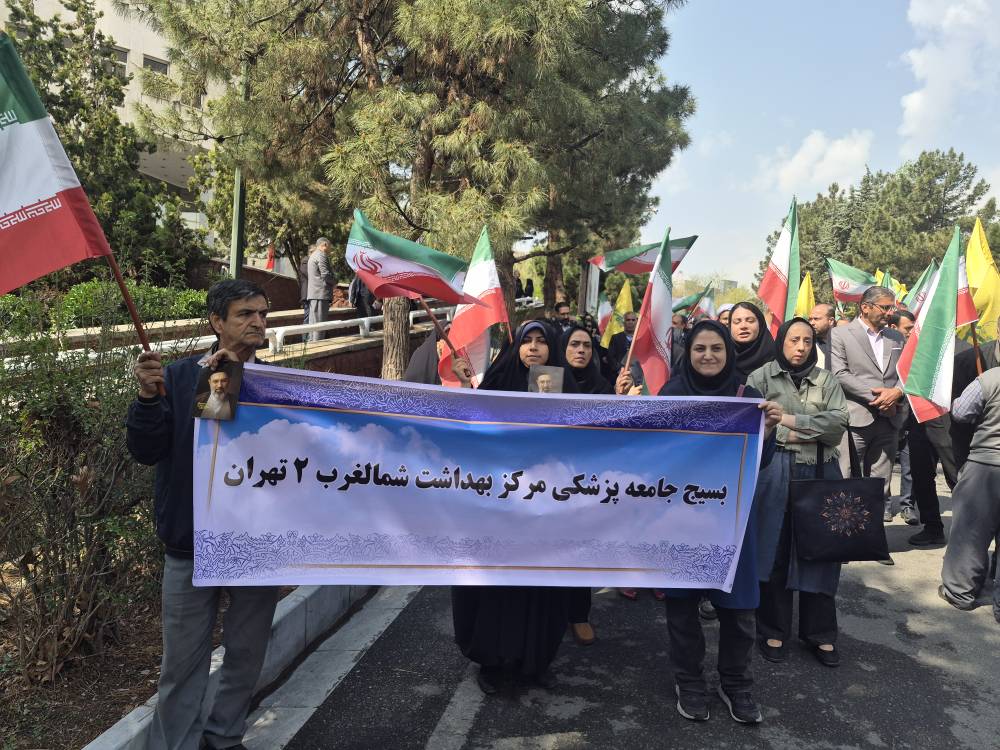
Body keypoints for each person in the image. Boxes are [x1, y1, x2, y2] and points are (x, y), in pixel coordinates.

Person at [127, 280, 278, 750]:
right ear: (217, 322)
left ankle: (224, 737)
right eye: (245, 314)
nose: (257, 322)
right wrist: (148, 398)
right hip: (190, 545)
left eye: (262, 314)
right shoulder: (175, 377)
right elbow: (149, 449)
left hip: (255, 545)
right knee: (182, 664)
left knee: (247, 653)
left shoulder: (278, 384)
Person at [659, 319, 782, 724]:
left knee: (739, 611)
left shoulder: (748, 397)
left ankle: (736, 684)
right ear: (688, 353)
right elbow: (650, 455)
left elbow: (760, 462)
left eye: (717, 348)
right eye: (700, 349)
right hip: (679, 521)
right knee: (682, 609)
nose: (708, 356)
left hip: (732, 523)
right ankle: (689, 681)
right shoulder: (671, 395)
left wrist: (769, 429)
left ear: (728, 353)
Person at [449, 320, 577, 694]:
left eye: (541, 341)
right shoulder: (496, 384)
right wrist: (465, 389)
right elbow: (469, 433)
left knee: (541, 587)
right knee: (497, 587)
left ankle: (533, 661)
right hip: (499, 511)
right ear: (516, 346)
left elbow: (589, 440)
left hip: (547, 511)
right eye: (526, 341)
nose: (533, 348)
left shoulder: (568, 389)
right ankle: (492, 662)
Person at [747, 318, 849, 668]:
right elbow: (754, 426)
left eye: (807, 340)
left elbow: (837, 427)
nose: (801, 347)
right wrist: (809, 432)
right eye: (794, 340)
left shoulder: (826, 380)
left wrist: (788, 422)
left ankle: (820, 633)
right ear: (781, 341)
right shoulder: (760, 378)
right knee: (773, 550)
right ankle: (772, 630)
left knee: (820, 552)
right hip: (773, 472)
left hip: (820, 472)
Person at [829, 286, 907, 532]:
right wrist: (881, 397)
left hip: (889, 420)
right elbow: (840, 374)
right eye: (885, 307)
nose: (890, 312)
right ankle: (844, 537)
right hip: (855, 420)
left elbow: (907, 373)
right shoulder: (840, 334)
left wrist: (896, 393)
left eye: (892, 307)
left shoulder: (896, 338)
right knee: (846, 480)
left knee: (880, 485)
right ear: (865, 307)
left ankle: (873, 538)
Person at [939, 365, 1000, 623]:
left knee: (970, 532)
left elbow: (961, 412)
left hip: (986, 466)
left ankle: (959, 592)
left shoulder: (991, 378)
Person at [729, 302, 776, 384]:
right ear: (730, 326)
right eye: (737, 322)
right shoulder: (721, 359)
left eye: (750, 321)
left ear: (760, 324)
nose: (743, 326)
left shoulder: (776, 361)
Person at [306, 237, 335, 341]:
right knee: (319, 326)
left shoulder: (313, 255)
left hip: (315, 294)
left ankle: (312, 346)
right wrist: (334, 282)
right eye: (330, 246)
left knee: (313, 325)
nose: (330, 249)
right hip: (320, 294)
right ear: (325, 245)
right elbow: (325, 274)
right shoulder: (321, 255)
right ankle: (317, 346)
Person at [808, 303, 836, 369]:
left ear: (831, 321)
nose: (812, 323)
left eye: (816, 319)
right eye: (810, 319)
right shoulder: (807, 344)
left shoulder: (843, 344)